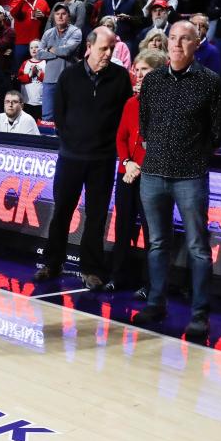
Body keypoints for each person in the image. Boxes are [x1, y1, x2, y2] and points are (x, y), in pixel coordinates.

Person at [133, 21, 221, 340]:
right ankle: (155, 302)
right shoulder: (153, 81)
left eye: (184, 39)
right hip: (153, 173)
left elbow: (219, 132)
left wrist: (196, 155)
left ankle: (200, 315)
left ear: (196, 43)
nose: (176, 44)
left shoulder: (210, 82)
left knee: (198, 248)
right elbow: (144, 125)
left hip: (190, 175)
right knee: (157, 243)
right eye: (173, 38)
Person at [34, 26, 132, 290]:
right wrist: (71, 141)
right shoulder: (69, 75)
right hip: (71, 156)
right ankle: (53, 263)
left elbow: (125, 118)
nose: (108, 53)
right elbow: (59, 113)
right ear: (89, 47)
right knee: (62, 212)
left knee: (97, 216)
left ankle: (91, 269)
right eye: (103, 48)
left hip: (102, 159)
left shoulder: (121, 77)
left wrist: (109, 145)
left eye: (111, 48)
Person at [111, 48, 168, 295]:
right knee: (122, 225)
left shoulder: (165, 104)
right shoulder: (130, 103)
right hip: (127, 172)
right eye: (137, 69)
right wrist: (126, 163)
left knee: (151, 231)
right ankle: (118, 276)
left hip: (151, 176)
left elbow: (160, 142)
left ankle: (150, 284)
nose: (140, 74)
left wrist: (139, 167)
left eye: (145, 69)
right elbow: (121, 137)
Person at [38, 4, 82, 122]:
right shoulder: (48, 33)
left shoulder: (75, 31)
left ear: (68, 16)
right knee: (47, 117)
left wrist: (51, 49)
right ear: (53, 16)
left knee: (67, 116)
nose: (60, 16)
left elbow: (67, 51)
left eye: (63, 14)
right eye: (57, 14)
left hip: (68, 79)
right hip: (49, 79)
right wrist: (58, 51)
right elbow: (39, 53)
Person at [10, 0, 50, 74]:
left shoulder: (43, 2)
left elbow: (50, 20)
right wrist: (22, 0)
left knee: (38, 71)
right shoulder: (17, 0)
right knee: (19, 71)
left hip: (37, 42)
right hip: (20, 42)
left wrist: (43, 17)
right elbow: (13, 13)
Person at [16, 40, 46, 119]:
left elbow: (49, 80)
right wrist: (29, 75)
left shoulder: (45, 63)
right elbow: (20, 78)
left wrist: (40, 74)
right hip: (27, 101)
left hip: (41, 102)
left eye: (36, 47)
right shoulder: (25, 63)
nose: (34, 49)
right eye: (31, 47)